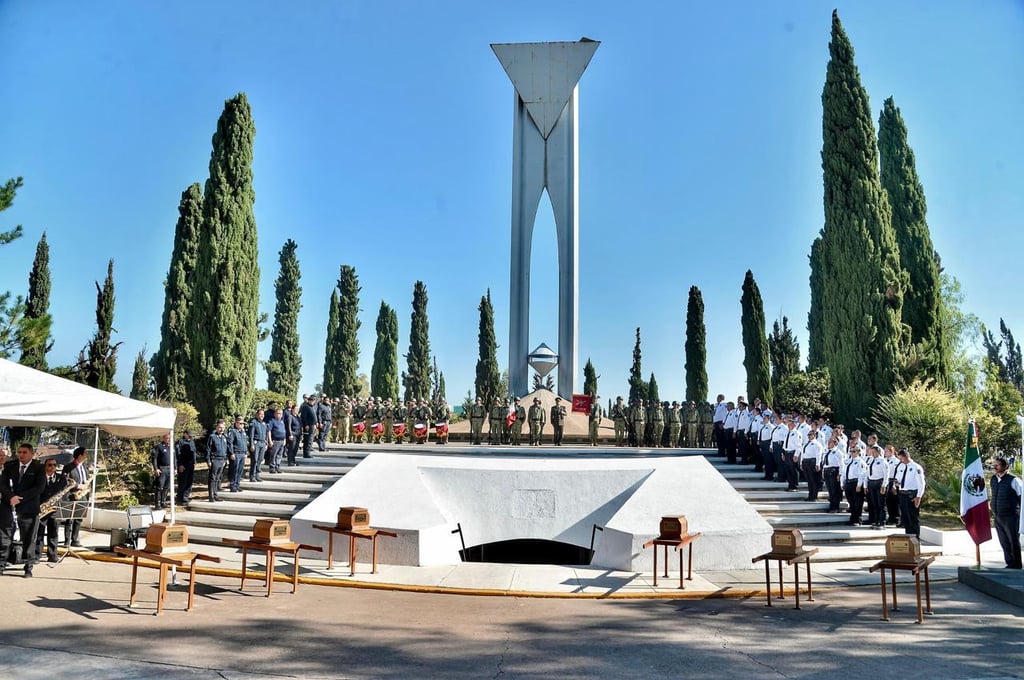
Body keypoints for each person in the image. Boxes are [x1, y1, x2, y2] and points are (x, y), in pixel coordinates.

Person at [0, 443, 47, 577]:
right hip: (9, 506)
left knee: (28, 539)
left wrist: (20, 498)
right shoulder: (10, 465)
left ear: (32, 453)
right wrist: (11, 496)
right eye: (19, 452)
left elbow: (39, 487)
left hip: (29, 508)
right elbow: (2, 484)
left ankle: (28, 567)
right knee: (5, 538)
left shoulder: (39, 467)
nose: (21, 455)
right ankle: (1, 564)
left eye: (24, 452)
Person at [990, 456, 1022, 569]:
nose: (994, 467)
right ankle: (1009, 563)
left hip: (1011, 516)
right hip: (998, 516)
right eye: (994, 465)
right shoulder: (993, 479)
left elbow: (1022, 498)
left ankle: (1016, 565)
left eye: (997, 465)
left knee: (1013, 540)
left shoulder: (1014, 480)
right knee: (1003, 541)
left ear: (1006, 466)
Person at [37, 458, 65, 562]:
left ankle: (52, 555)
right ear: (45, 466)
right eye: (50, 465)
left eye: (54, 465)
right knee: (39, 534)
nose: (52, 467)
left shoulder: (61, 478)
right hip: (42, 509)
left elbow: (62, 492)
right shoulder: (39, 477)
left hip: (54, 509)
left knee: (53, 533)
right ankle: (37, 555)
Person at [893, 448, 925, 538]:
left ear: (906, 457)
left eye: (901, 458)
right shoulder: (901, 466)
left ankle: (915, 537)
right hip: (902, 493)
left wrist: (918, 497)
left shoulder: (916, 467)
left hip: (912, 494)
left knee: (913, 517)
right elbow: (898, 477)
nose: (900, 460)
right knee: (905, 517)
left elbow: (921, 484)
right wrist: (896, 483)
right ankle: (908, 536)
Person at [62, 446, 90, 545]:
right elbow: (65, 481)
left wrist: (86, 488)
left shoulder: (85, 467)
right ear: (79, 455)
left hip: (82, 495)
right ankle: (67, 540)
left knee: (79, 518)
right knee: (70, 519)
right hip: (72, 495)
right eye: (85, 453)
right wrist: (78, 485)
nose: (87, 455)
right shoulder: (68, 467)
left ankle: (75, 539)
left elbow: (86, 480)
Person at [859, 445, 890, 529]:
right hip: (872, 483)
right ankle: (876, 521)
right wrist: (865, 485)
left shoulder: (883, 461)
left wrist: (884, 485)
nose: (872, 453)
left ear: (878, 452)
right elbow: (866, 473)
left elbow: (886, 475)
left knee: (881, 504)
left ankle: (882, 522)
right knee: (875, 504)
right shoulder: (870, 461)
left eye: (874, 452)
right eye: (871, 452)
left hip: (879, 482)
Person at [206, 420, 229, 502]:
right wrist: (208, 460)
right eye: (220, 427)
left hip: (222, 460)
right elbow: (208, 449)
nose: (221, 429)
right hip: (215, 460)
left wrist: (225, 460)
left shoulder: (224, 437)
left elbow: (226, 449)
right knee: (212, 478)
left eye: (223, 428)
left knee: (218, 478)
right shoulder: (212, 437)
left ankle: (216, 495)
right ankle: (211, 496)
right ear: (216, 428)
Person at [842, 446, 866, 526]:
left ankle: (858, 519)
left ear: (858, 452)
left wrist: (859, 485)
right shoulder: (848, 461)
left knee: (858, 502)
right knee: (851, 502)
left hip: (856, 482)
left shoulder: (860, 462)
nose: (852, 453)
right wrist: (842, 483)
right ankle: (852, 518)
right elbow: (844, 473)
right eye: (851, 451)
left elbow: (862, 474)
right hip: (848, 482)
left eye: (854, 451)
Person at [821, 435, 844, 513]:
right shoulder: (826, 451)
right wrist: (823, 472)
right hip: (827, 470)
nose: (828, 443)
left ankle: (835, 507)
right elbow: (824, 463)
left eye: (830, 442)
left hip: (834, 471)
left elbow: (841, 464)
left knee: (835, 490)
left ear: (835, 443)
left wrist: (839, 474)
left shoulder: (838, 452)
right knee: (830, 490)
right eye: (828, 442)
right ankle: (831, 506)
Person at [800, 430, 824, 501]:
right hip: (805, 461)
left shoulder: (817, 444)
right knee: (809, 480)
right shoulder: (806, 443)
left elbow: (818, 455)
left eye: (810, 435)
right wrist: (801, 463)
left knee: (814, 480)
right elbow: (803, 453)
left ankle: (814, 496)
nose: (809, 436)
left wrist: (817, 464)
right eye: (808, 435)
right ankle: (810, 495)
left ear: (814, 435)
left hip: (812, 462)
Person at [151, 433, 173, 509]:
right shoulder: (159, 446)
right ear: (163, 438)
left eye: (170, 438)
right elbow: (154, 458)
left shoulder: (171, 447)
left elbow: (174, 458)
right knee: (159, 487)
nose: (169, 440)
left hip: (170, 469)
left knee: (166, 487)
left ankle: (163, 502)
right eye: (167, 438)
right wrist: (156, 468)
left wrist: (175, 468)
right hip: (162, 469)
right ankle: (158, 504)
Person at [174, 432, 196, 506]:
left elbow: (194, 452)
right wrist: (180, 465)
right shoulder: (180, 442)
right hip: (183, 464)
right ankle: (179, 499)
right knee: (182, 482)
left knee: (189, 482)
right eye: (188, 434)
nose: (190, 436)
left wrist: (194, 462)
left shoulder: (192, 441)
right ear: (184, 434)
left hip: (190, 464)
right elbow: (178, 454)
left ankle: (185, 497)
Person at [248, 408, 269, 482]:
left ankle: (257, 475)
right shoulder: (254, 422)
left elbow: (266, 434)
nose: (262, 416)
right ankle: (252, 476)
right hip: (256, 443)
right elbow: (251, 434)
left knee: (260, 459)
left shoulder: (264, 424)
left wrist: (266, 443)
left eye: (263, 414)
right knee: (254, 460)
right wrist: (252, 444)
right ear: (257, 415)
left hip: (262, 443)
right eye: (260, 414)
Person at [267, 409, 286, 474]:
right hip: (275, 441)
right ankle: (272, 468)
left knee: (279, 455)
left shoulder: (282, 422)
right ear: (275, 414)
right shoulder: (272, 421)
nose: (280, 415)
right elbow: (269, 431)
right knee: (273, 455)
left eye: (281, 413)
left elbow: (284, 431)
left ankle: (277, 466)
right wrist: (270, 441)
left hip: (282, 441)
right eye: (278, 413)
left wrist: (284, 439)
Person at [299, 394, 318, 459]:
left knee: (311, 439)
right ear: (309, 400)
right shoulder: (306, 407)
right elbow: (304, 417)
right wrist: (306, 424)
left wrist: (316, 423)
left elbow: (314, 416)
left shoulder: (313, 407)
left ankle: (308, 452)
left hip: (313, 425)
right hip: (308, 426)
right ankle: (306, 453)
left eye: (313, 400)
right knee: (308, 440)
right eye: (311, 400)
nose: (312, 401)